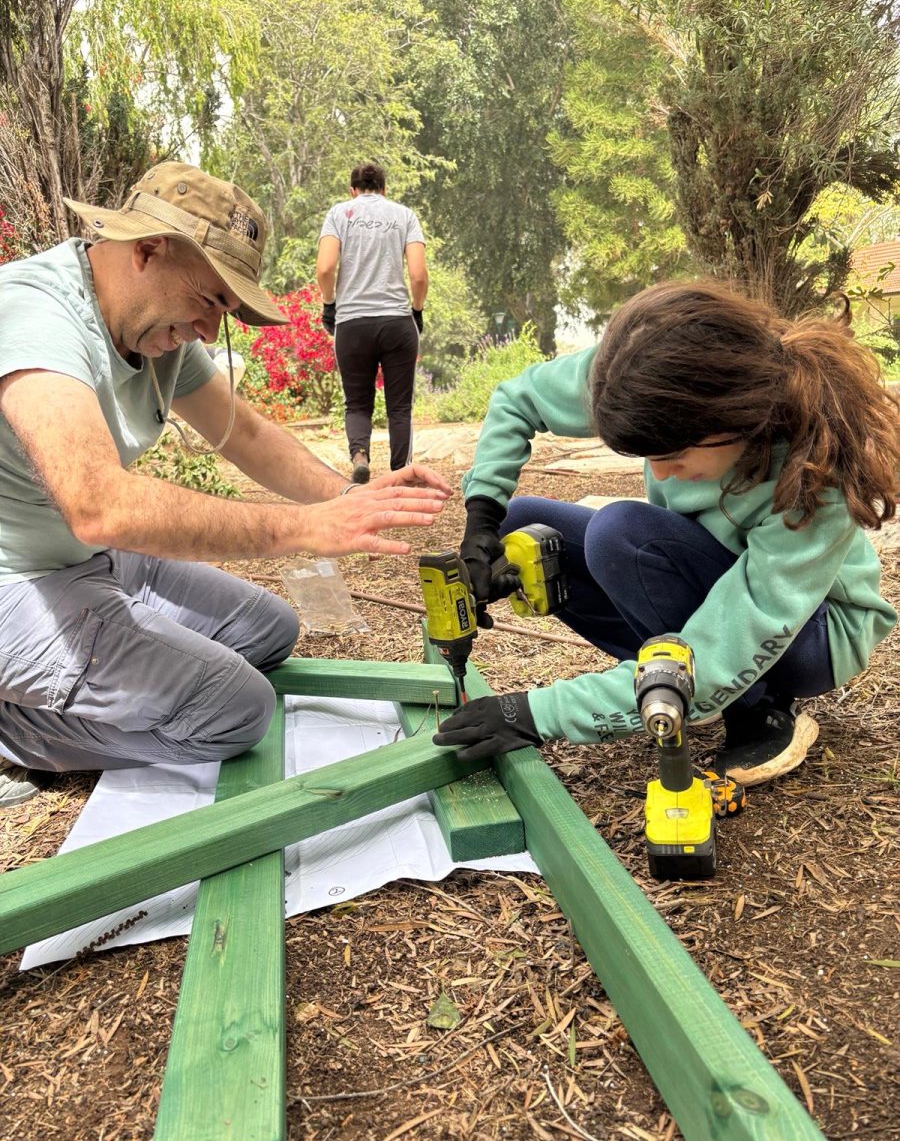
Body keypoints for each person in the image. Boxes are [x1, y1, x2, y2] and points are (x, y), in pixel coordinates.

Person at [0, 161, 450, 807]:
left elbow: (247, 436)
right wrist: (301, 529)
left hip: (76, 560)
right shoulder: (34, 316)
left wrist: (347, 500)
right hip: (14, 578)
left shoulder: (154, 329)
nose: (212, 330)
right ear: (147, 250)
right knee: (234, 712)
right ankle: (15, 730)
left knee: (265, 630)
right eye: (212, 299)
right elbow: (99, 506)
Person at [433, 280, 899, 784]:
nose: (662, 474)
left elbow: (740, 627)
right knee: (522, 526)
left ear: (734, 415)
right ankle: (660, 678)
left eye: (673, 456)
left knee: (622, 534)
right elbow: (516, 401)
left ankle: (759, 705)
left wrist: (538, 713)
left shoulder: (812, 481)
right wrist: (481, 521)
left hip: (812, 634)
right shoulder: (642, 374)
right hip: (708, 581)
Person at [316, 162, 427, 484]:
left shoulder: (339, 214)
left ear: (353, 191)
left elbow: (325, 269)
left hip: (352, 324)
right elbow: (418, 275)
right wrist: (416, 310)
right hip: (396, 323)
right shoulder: (404, 215)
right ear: (384, 189)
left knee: (357, 404)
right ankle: (401, 474)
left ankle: (360, 456)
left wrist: (329, 305)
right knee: (399, 408)